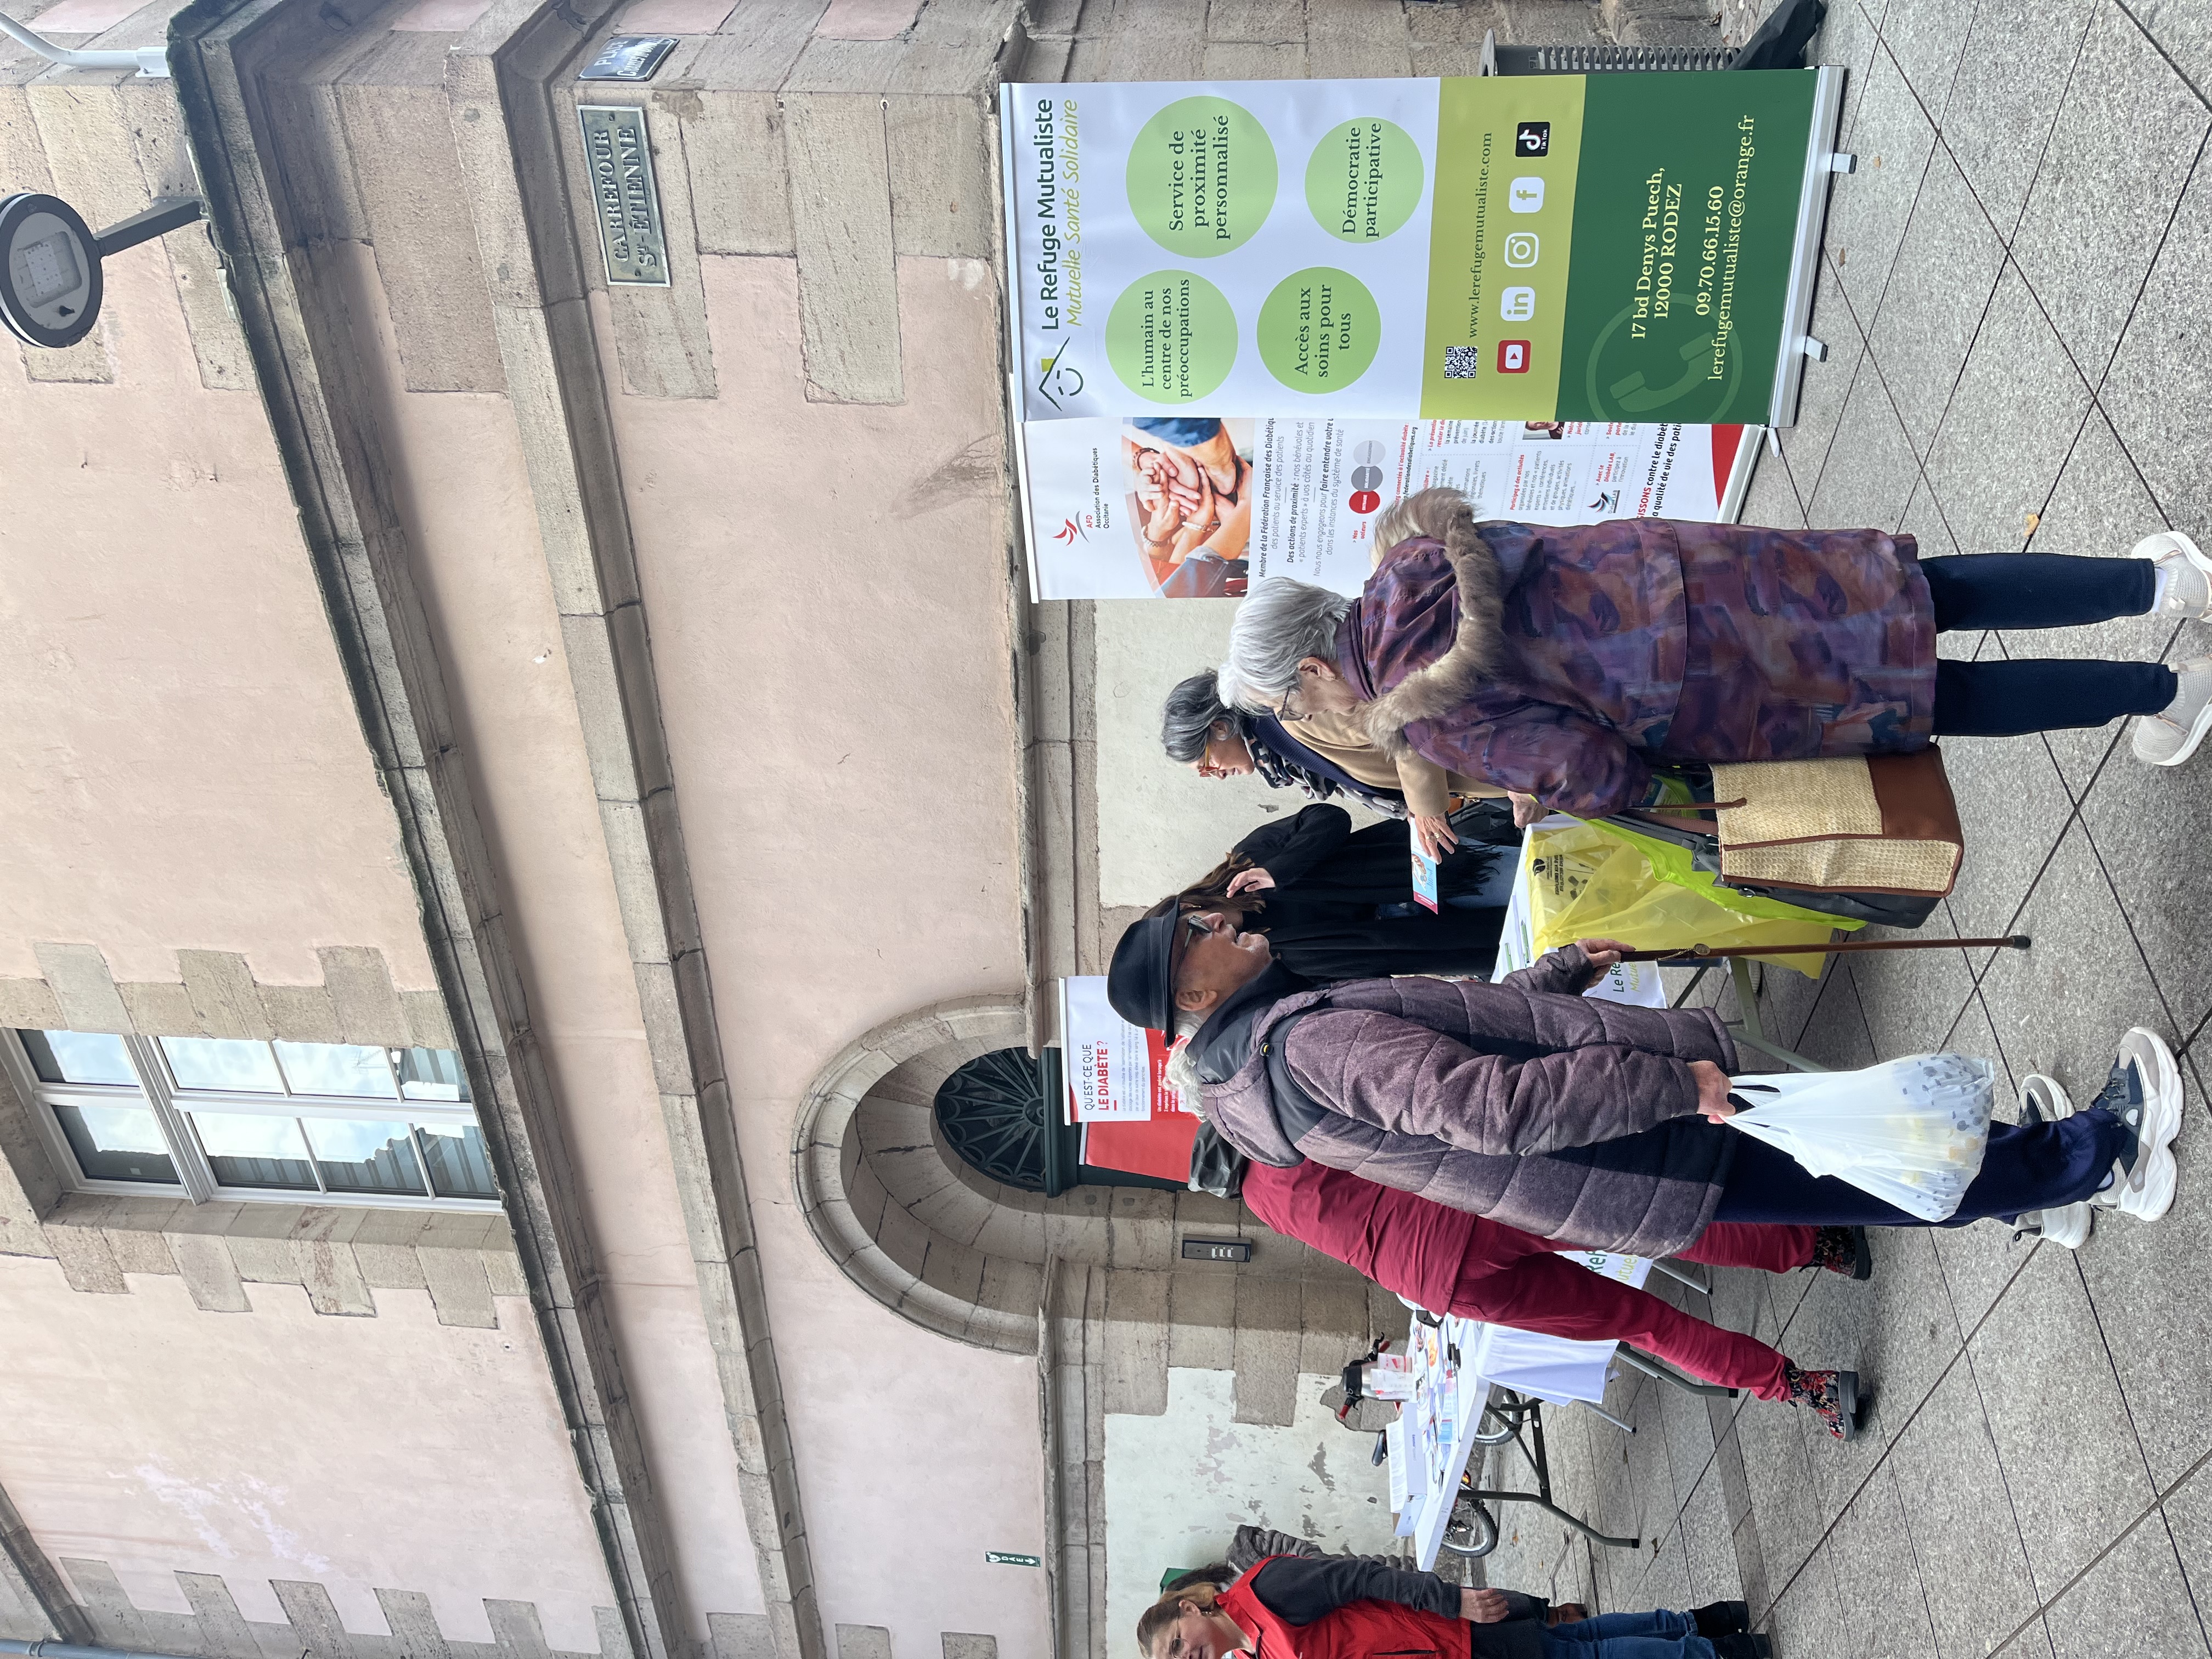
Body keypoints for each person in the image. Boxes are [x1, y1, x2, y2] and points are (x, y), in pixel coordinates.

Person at [1105, 918, 2184, 1340]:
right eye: (1200, 934)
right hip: (1642, 1141)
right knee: (1869, 1170)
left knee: (1866, 1150)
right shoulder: (1301, 1051)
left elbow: (1469, 1037)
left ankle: (2037, 1172)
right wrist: (1675, 1087)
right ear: (1192, 994)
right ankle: (2094, 1163)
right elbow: (1497, 1110)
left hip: (1630, 1145)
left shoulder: (1276, 1054)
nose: (1226, 922)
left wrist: (1556, 976)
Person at [1217, 488, 2212, 822]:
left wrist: (1582, 794)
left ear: (1308, 669)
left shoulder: (1420, 707)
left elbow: (1585, 765)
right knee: (1924, 587)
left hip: (1705, 686)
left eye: (1292, 703)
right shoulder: (1421, 555)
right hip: (1701, 571)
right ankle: (2161, 585)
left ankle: (2166, 689)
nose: (1307, 719)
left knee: (1929, 695)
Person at [1235, 1152, 1871, 1436]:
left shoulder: (1259, 1203)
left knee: (1639, 1322)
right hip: (1468, 1202)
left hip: (1440, 1283)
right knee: (1650, 1229)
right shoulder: (1276, 1133)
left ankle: (1807, 1390)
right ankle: (1818, 1246)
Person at [1147, 802, 1522, 983]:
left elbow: (1329, 818)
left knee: (1547, 882)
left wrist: (1281, 870)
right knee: (1538, 937)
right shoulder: (1250, 954)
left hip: (1430, 875)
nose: (1210, 925)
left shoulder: (1248, 862)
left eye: (1193, 924)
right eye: (1195, 940)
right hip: (1425, 940)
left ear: (1192, 904)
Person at [1163, 669, 1505, 859]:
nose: (1218, 776)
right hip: (1482, 764)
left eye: (1206, 766)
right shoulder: (1280, 752)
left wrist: (1425, 805)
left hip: (1493, 750)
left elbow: (1405, 719)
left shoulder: (1294, 719)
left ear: (1220, 728)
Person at [1136, 1559, 1769, 1659]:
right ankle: (1703, 1624)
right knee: (1574, 1646)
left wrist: (1455, 1599)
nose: (1185, 1658)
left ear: (1191, 1606)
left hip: (1451, 1636)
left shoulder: (1266, 1588)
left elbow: (1365, 1577)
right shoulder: (1255, 1646)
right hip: (1446, 1648)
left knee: (1584, 1656)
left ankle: (1719, 1649)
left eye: (1174, 1646)